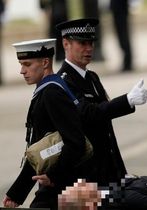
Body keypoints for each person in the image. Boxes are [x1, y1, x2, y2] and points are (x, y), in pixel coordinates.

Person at [55, 18, 147, 186]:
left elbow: (105, 125)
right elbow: (88, 113)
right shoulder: (63, 82)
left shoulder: (92, 77)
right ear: (66, 44)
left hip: (107, 170)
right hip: (86, 176)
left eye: (91, 43)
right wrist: (127, 100)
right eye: (82, 43)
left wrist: (120, 171)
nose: (89, 48)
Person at [2, 39, 89, 209]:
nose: (22, 71)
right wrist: (16, 193)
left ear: (45, 62)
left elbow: (75, 142)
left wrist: (53, 176)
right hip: (57, 185)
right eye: (21, 64)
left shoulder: (52, 93)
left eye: (27, 64)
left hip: (63, 188)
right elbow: (39, 150)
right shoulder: (48, 90)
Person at [110, 0, 133, 71]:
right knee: (122, 35)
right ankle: (127, 61)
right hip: (119, 8)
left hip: (120, 8)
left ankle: (127, 62)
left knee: (123, 35)